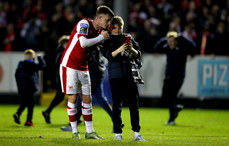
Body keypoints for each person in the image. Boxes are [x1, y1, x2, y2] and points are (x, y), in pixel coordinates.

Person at [59, 5, 114, 139]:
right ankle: (75, 132)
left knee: (87, 98)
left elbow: (105, 46)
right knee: (72, 98)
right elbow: (83, 43)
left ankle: (90, 132)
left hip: (83, 66)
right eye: (107, 20)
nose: (108, 24)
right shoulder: (84, 23)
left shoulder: (100, 31)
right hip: (70, 64)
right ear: (99, 18)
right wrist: (102, 38)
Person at [103, 16, 145, 141]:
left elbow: (139, 54)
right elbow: (108, 56)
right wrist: (121, 49)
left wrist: (131, 48)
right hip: (116, 75)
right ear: (111, 28)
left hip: (130, 75)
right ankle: (118, 133)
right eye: (114, 27)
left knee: (134, 105)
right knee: (117, 105)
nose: (117, 30)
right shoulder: (108, 40)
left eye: (119, 27)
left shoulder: (128, 37)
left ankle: (136, 133)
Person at [154, 31, 196, 125]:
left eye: (172, 41)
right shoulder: (168, 48)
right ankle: (176, 108)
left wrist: (181, 38)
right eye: (169, 41)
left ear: (176, 41)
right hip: (168, 76)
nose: (171, 43)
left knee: (172, 96)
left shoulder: (181, 49)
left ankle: (171, 119)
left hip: (178, 77)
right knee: (165, 97)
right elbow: (156, 48)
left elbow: (193, 46)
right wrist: (165, 39)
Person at [13, 49, 46, 126]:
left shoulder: (20, 64)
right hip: (29, 87)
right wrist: (40, 57)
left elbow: (17, 76)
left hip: (21, 88)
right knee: (31, 104)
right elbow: (43, 66)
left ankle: (18, 114)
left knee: (24, 103)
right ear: (32, 56)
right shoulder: (31, 65)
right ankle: (28, 121)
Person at [42, 35, 69, 124]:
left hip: (65, 78)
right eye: (65, 43)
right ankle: (47, 111)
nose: (67, 44)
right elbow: (58, 67)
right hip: (63, 79)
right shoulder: (62, 54)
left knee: (61, 97)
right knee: (64, 97)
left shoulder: (63, 53)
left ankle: (47, 111)